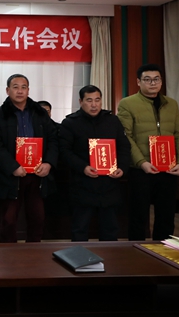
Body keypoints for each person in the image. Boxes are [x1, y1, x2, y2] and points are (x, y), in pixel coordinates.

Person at [117, 63, 179, 241]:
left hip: (168, 168)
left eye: (156, 79)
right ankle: (136, 251)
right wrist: (142, 162)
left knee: (166, 215)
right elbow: (126, 136)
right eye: (147, 79)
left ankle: (164, 250)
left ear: (161, 81)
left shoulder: (171, 104)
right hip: (141, 169)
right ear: (138, 82)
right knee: (138, 215)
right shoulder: (128, 103)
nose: (152, 83)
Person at [0, 74, 58, 243]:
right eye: (15, 87)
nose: (20, 91)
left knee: (37, 218)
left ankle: (33, 253)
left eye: (23, 87)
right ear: (7, 90)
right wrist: (12, 167)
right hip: (11, 175)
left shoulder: (39, 113)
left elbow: (54, 139)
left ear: (28, 90)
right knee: (9, 220)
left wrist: (48, 163)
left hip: (38, 175)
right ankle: (8, 253)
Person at [59, 85, 131, 241]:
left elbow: (124, 147)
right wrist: (83, 167)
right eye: (89, 100)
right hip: (82, 184)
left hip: (109, 184)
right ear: (81, 102)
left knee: (110, 229)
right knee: (80, 228)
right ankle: (79, 256)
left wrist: (122, 168)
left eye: (97, 100)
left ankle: (109, 257)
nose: (94, 105)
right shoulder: (70, 123)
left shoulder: (112, 121)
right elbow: (64, 151)